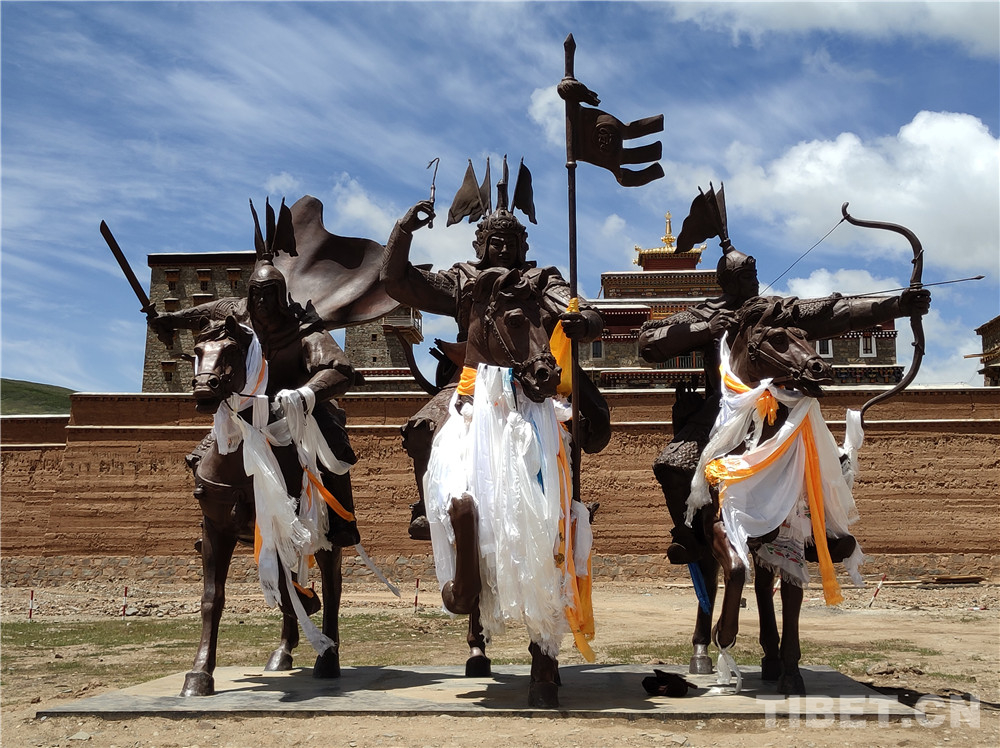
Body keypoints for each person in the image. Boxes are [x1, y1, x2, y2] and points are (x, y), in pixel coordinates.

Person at [639, 245, 931, 566]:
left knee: (822, 461)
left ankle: (818, 534)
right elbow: (647, 341)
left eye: (754, 275)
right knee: (671, 464)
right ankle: (689, 536)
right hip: (722, 407)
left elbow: (835, 312)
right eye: (745, 276)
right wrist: (705, 329)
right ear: (728, 282)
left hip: (774, 404)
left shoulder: (774, 310)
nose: (754, 281)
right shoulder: (703, 314)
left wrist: (897, 305)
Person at [382, 197, 610, 540]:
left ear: (522, 246)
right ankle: (429, 508)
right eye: (496, 242)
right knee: (421, 429)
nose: (503, 250)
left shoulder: (541, 280)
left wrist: (584, 321)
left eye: (510, 244)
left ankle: (567, 499)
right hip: (471, 378)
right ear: (482, 245)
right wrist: (404, 231)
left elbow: (582, 310)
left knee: (570, 426)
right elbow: (396, 282)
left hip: (530, 377)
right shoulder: (462, 280)